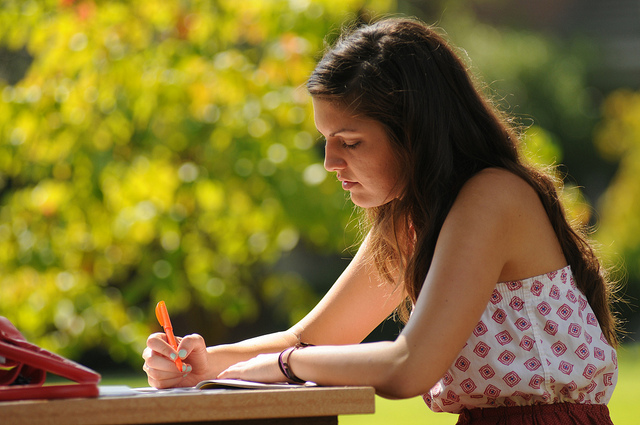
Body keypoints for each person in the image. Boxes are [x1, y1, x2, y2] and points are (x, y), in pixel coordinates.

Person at [142, 17, 620, 424]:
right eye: (325, 139)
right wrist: (202, 364)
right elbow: (307, 339)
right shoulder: (413, 219)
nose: (330, 161)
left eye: (349, 141)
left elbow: (406, 367)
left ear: (417, 134)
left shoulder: (491, 197)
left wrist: (287, 366)